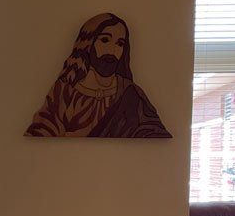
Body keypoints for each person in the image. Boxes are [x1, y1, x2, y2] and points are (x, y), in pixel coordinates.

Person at [26, 12, 171, 138]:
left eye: (120, 43)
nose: (112, 50)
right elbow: (43, 131)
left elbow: (153, 133)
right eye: (105, 40)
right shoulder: (65, 89)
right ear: (88, 43)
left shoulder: (131, 93)